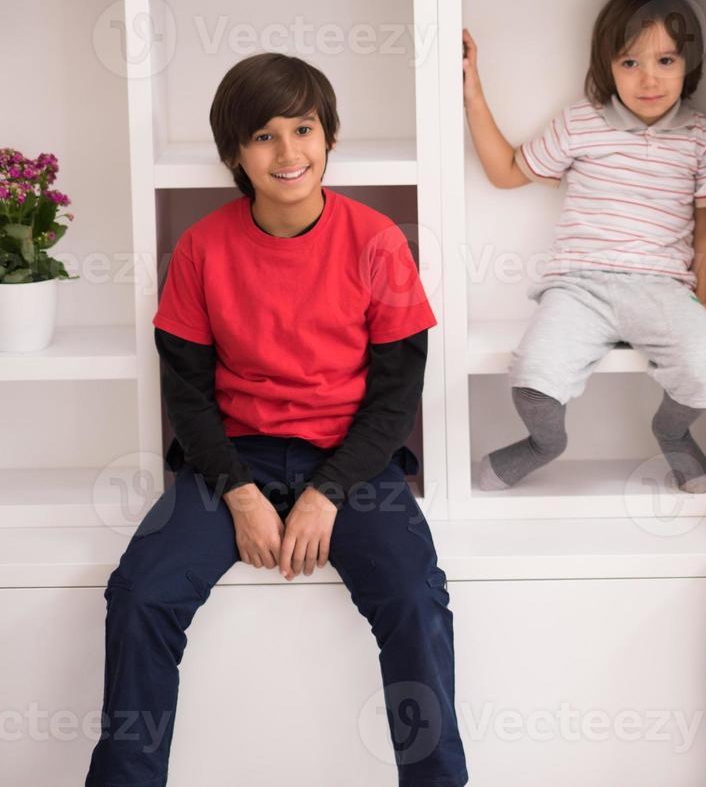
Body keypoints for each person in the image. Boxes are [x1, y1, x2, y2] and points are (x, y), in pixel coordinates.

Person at [85, 52, 469, 787]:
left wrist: (326, 494)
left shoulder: (378, 241)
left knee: (418, 600)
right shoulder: (202, 248)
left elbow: (396, 394)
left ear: (329, 138)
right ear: (235, 151)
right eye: (263, 136)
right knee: (138, 594)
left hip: (352, 464)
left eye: (304, 128)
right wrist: (237, 492)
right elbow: (188, 394)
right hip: (231, 459)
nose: (289, 152)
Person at [463, 0, 706, 493]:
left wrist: (705, 301)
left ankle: (671, 433)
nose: (648, 78)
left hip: (663, 289)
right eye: (630, 61)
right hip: (579, 286)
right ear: (608, 66)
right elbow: (505, 172)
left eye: (666, 60)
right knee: (532, 375)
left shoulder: (704, 136)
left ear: (689, 63)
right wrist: (472, 92)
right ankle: (543, 446)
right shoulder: (581, 122)